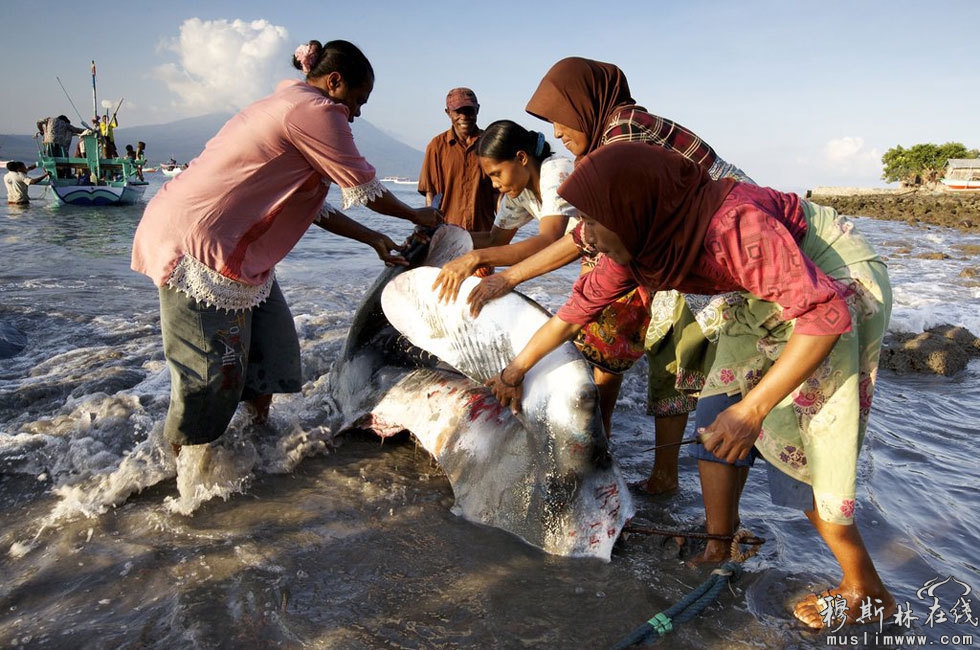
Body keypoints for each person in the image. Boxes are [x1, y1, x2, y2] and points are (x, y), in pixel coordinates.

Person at [488, 141, 894, 630]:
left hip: (832, 281)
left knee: (801, 441)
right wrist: (513, 373)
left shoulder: (734, 228)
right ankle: (720, 542)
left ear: (633, 209)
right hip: (766, 290)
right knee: (713, 415)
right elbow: (572, 316)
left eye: (592, 221)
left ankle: (865, 587)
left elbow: (824, 316)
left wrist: (756, 409)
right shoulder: (633, 244)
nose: (584, 238)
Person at [131, 38, 442, 456]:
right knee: (210, 375)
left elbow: (312, 207)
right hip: (200, 248)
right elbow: (366, 188)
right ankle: (184, 475)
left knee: (273, 354)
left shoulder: (290, 107)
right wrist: (417, 216)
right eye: (358, 98)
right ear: (333, 82)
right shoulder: (315, 112)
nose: (358, 111)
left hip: (240, 258)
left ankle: (256, 442)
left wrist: (371, 237)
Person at [467, 57, 752, 482]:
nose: (558, 133)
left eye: (561, 120)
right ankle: (664, 476)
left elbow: (577, 239)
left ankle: (681, 492)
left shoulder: (621, 134)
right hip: (687, 252)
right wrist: (496, 271)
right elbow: (586, 240)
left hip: (728, 246)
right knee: (668, 356)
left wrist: (506, 279)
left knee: (681, 361)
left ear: (585, 104)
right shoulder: (606, 147)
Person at [431, 120, 577, 302]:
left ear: (521, 158)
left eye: (497, 173)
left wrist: (476, 258)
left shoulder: (555, 171)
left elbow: (549, 240)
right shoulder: (519, 192)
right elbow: (495, 240)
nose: (494, 184)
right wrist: (438, 238)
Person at [417, 87, 498, 232]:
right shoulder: (436, 147)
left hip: (484, 234)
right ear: (448, 113)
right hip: (447, 234)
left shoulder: (490, 144)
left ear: (477, 110)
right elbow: (431, 194)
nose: (464, 117)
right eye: (457, 112)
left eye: (469, 111)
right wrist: (429, 231)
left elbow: (498, 194)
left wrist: (500, 233)